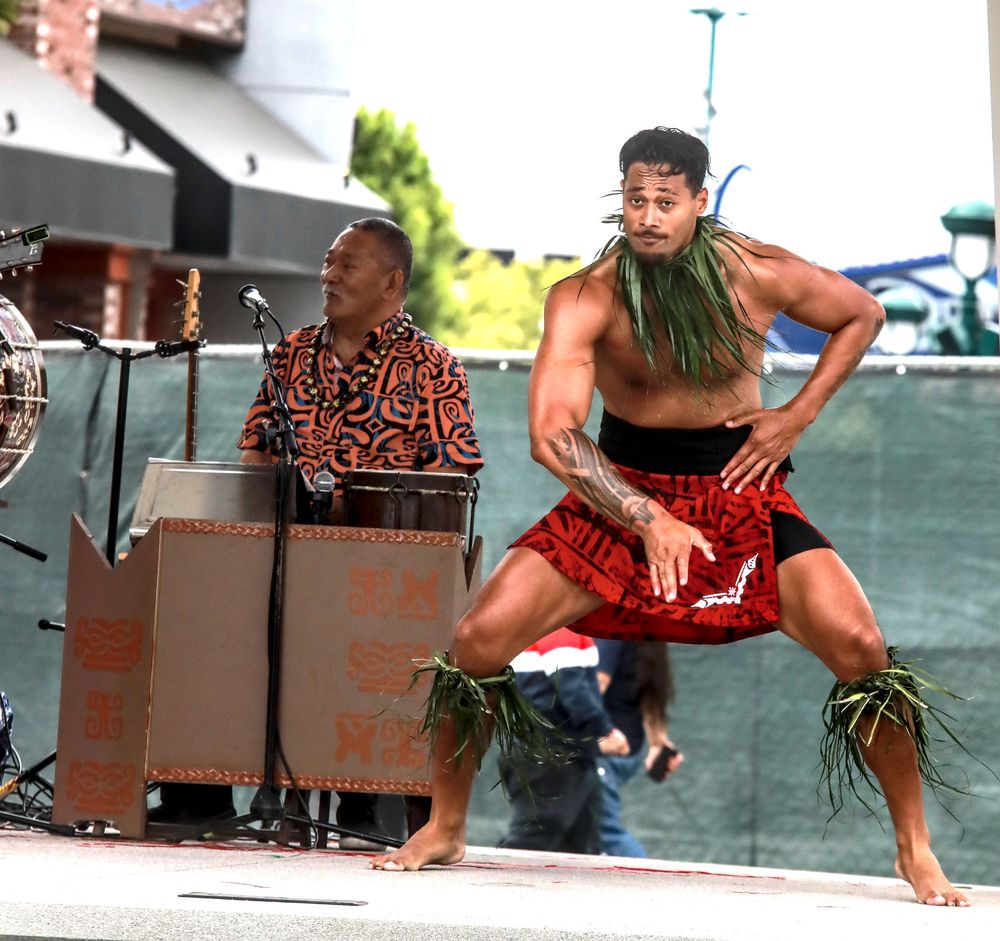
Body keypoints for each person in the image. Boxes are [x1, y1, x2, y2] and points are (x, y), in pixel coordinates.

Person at [370, 126, 968, 908]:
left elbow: (861, 313)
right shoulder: (588, 294)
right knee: (477, 639)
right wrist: (644, 514)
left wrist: (795, 415)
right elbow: (553, 433)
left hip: (741, 487)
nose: (648, 216)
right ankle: (447, 824)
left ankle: (914, 847)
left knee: (861, 645)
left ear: (698, 201)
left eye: (665, 201)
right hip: (620, 490)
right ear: (619, 198)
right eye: (635, 199)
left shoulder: (755, 270)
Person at [151, 217, 483, 845]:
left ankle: (368, 800)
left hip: (378, 574)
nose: (328, 274)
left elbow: (449, 481)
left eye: (347, 264)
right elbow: (254, 455)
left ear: (392, 281)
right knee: (202, 607)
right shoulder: (292, 352)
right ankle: (199, 793)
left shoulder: (435, 368)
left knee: (378, 638)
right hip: (284, 556)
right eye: (328, 261)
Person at [499, 627, 628, 855]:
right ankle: (492, 885)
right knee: (535, 836)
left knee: (582, 842)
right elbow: (571, 688)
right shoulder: (562, 630)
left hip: (562, 752)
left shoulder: (547, 630)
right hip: (551, 753)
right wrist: (604, 730)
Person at [595, 640, 682, 858]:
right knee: (574, 824)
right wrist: (658, 743)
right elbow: (650, 695)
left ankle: (645, 878)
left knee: (603, 829)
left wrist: (575, 731)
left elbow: (598, 683)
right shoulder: (647, 637)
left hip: (605, 752)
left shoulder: (612, 634)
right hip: (625, 752)